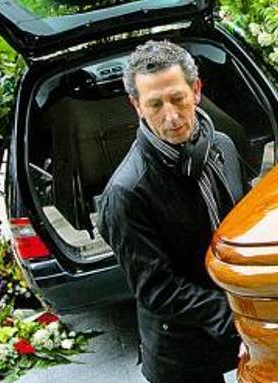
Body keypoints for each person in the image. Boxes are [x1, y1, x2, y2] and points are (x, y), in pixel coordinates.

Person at [98, 40, 244, 383]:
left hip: (236, 322)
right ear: (136, 106)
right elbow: (157, 290)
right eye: (155, 104)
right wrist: (237, 317)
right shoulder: (126, 193)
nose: (171, 116)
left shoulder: (222, 145)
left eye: (178, 98)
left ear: (196, 89)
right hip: (182, 352)